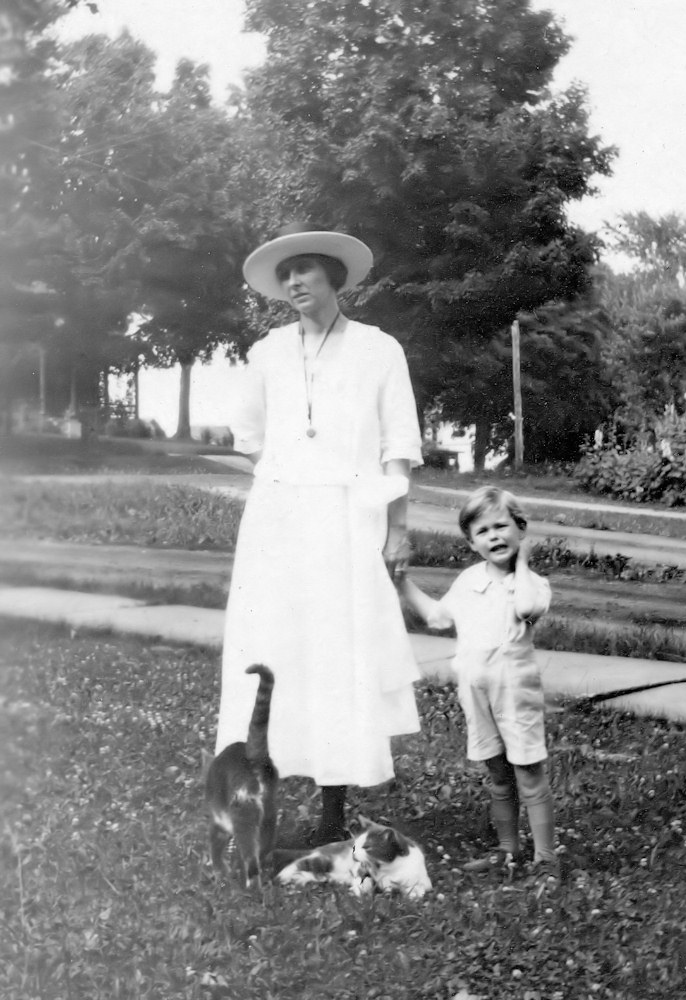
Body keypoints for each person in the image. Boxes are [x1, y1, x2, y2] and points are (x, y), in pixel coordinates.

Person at [215, 223, 424, 845]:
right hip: (277, 524)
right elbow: (249, 438)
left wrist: (395, 528)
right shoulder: (267, 352)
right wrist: (289, 485)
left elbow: (399, 445)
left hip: (346, 521)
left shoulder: (377, 349)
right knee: (275, 650)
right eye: (286, 275)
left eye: (305, 269)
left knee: (337, 653)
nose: (295, 281)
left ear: (333, 277)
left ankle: (333, 808)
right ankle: (262, 800)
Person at [396, 486, 559, 885]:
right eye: (483, 531)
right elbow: (437, 617)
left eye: (503, 526)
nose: (495, 537)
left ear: (521, 530)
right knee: (498, 774)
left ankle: (546, 861)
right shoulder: (469, 580)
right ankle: (507, 850)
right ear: (471, 542)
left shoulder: (533, 584)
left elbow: (525, 609)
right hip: (475, 691)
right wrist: (401, 583)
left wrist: (522, 563)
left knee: (528, 772)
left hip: (515, 691)